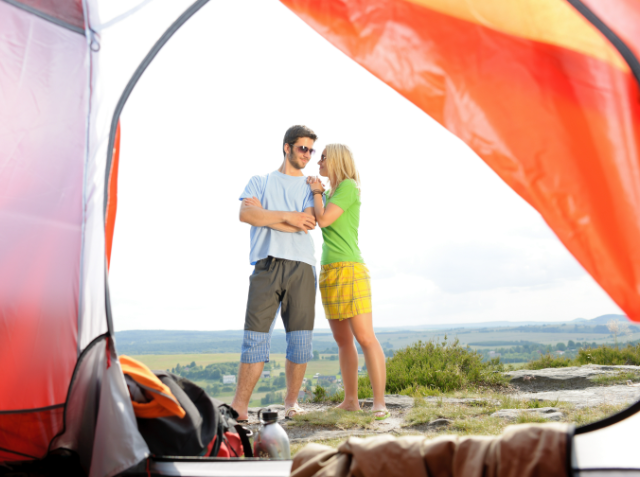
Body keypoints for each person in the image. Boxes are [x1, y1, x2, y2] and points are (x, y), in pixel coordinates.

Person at [231, 125, 319, 422]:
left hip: (302, 267)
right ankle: (239, 408)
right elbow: (246, 214)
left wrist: (266, 217)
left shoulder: (310, 185)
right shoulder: (260, 181)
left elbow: (307, 223)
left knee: (300, 341)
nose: (307, 154)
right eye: (302, 148)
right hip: (266, 266)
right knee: (254, 340)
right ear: (287, 147)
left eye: (311, 150)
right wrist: (286, 216)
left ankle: (291, 403)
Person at [307, 144, 389, 420]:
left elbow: (325, 220)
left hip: (350, 268)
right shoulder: (331, 192)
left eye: (323, 158)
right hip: (329, 269)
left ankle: (379, 403)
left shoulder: (348, 187)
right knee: (342, 340)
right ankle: (351, 401)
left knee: (365, 337)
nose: (318, 162)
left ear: (337, 161)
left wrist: (317, 191)